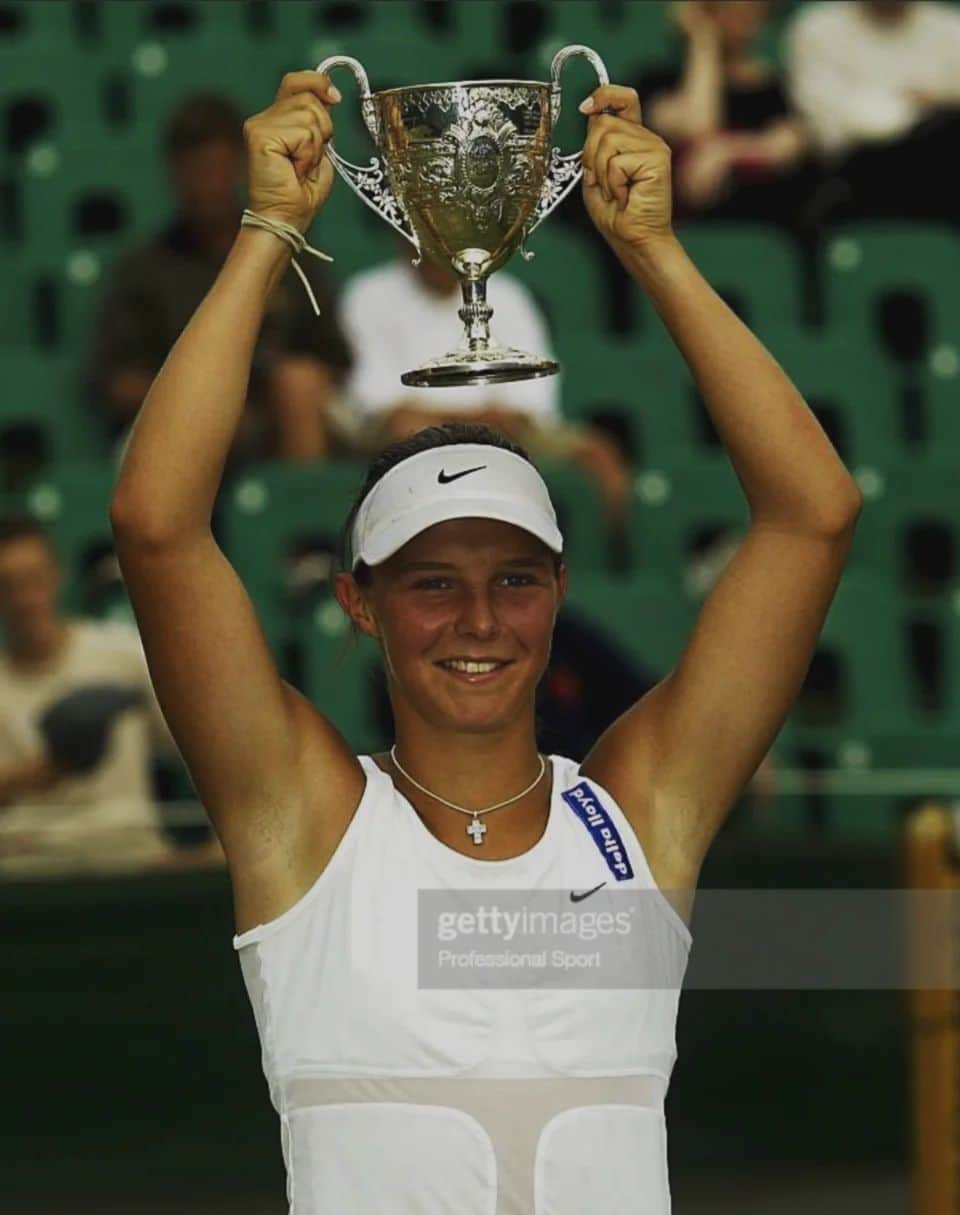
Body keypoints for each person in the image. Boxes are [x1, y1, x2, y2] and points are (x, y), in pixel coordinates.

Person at [108, 69, 861, 1211]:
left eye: (512, 579)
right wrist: (267, 232)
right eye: (430, 582)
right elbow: (157, 530)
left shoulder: (637, 817)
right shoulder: (301, 821)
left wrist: (654, 252)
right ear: (362, 602)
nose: (476, 620)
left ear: (557, 594)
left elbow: (815, 515)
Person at [83, 92, 353, 467]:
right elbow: (117, 382)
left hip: (282, 416)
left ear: (241, 167)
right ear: (173, 173)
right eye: (194, 171)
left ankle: (303, 514)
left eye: (215, 168)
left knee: (299, 384)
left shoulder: (291, 254)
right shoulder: (143, 269)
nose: (206, 185)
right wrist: (210, 402)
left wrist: (275, 387)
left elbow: (335, 361)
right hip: (180, 419)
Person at [338, 242, 634, 542]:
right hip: (413, 427)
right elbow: (376, 395)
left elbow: (533, 385)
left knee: (600, 453)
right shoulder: (368, 293)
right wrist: (462, 418)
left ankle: (612, 562)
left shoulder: (508, 293)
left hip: (502, 423)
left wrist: (498, 417)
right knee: (406, 427)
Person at [0, 515, 222, 877]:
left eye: (33, 580)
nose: (24, 599)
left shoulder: (123, 657)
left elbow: (205, 745)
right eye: (7, 586)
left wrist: (221, 845)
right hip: (25, 874)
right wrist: (44, 771)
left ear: (57, 576)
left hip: (130, 863)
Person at [786, 0, 960, 233]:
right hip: (856, 178)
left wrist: (935, 110)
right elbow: (831, 130)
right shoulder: (818, 28)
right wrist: (919, 107)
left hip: (948, 179)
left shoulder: (956, 28)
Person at [639, 0, 815, 230]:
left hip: (763, 224)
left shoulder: (776, 89)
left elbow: (788, 146)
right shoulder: (660, 82)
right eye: (730, 8)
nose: (743, 16)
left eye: (751, 9)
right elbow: (698, 127)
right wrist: (703, 43)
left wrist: (725, 151)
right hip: (685, 227)